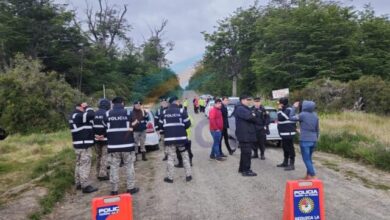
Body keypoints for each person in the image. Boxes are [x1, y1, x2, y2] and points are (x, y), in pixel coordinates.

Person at [104, 97, 139, 195]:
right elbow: (136, 124)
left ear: (112, 103)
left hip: (113, 147)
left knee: (114, 167)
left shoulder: (107, 114)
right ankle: (130, 188)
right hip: (127, 145)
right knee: (129, 166)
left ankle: (114, 190)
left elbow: (104, 127)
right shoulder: (128, 113)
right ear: (123, 103)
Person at [159, 96, 192, 183]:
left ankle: (170, 178)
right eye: (178, 101)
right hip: (181, 139)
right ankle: (188, 175)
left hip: (169, 140)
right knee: (185, 156)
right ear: (176, 102)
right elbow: (188, 124)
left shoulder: (164, 112)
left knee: (170, 158)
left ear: (170, 103)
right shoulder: (182, 111)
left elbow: (160, 126)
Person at [68, 102, 98, 193]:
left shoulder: (73, 115)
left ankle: (78, 183)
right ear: (80, 107)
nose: (85, 109)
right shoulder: (78, 115)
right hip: (84, 144)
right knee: (85, 164)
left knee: (79, 164)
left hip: (78, 144)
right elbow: (92, 115)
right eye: (84, 107)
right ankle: (85, 186)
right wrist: (88, 107)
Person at [290, 100, 320, 179]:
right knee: (309, 159)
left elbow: (291, 117)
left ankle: (313, 175)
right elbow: (317, 129)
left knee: (306, 159)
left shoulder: (302, 115)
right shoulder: (315, 115)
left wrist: (294, 107)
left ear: (305, 106)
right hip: (313, 140)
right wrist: (316, 139)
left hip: (305, 140)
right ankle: (308, 176)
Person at [235, 95, 258, 177]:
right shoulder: (240, 108)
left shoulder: (243, 108)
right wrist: (253, 114)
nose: (248, 101)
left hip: (246, 134)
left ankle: (242, 168)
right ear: (242, 100)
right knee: (247, 153)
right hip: (245, 135)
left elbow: (253, 117)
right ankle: (246, 170)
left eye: (248, 100)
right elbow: (250, 117)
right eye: (246, 100)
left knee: (244, 153)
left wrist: (253, 114)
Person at [276, 97, 297, 171]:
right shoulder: (284, 109)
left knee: (290, 148)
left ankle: (292, 164)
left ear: (282, 103)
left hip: (289, 133)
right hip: (284, 133)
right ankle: (285, 162)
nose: (279, 104)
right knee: (285, 148)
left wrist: (279, 110)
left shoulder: (289, 109)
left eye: (279, 103)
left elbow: (281, 117)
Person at [93, 99, 110, 181]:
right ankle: (103, 174)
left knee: (98, 156)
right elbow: (109, 127)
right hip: (105, 139)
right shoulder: (107, 114)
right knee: (104, 156)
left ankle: (97, 173)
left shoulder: (94, 114)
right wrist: (103, 135)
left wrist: (96, 135)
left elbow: (91, 127)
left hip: (96, 139)